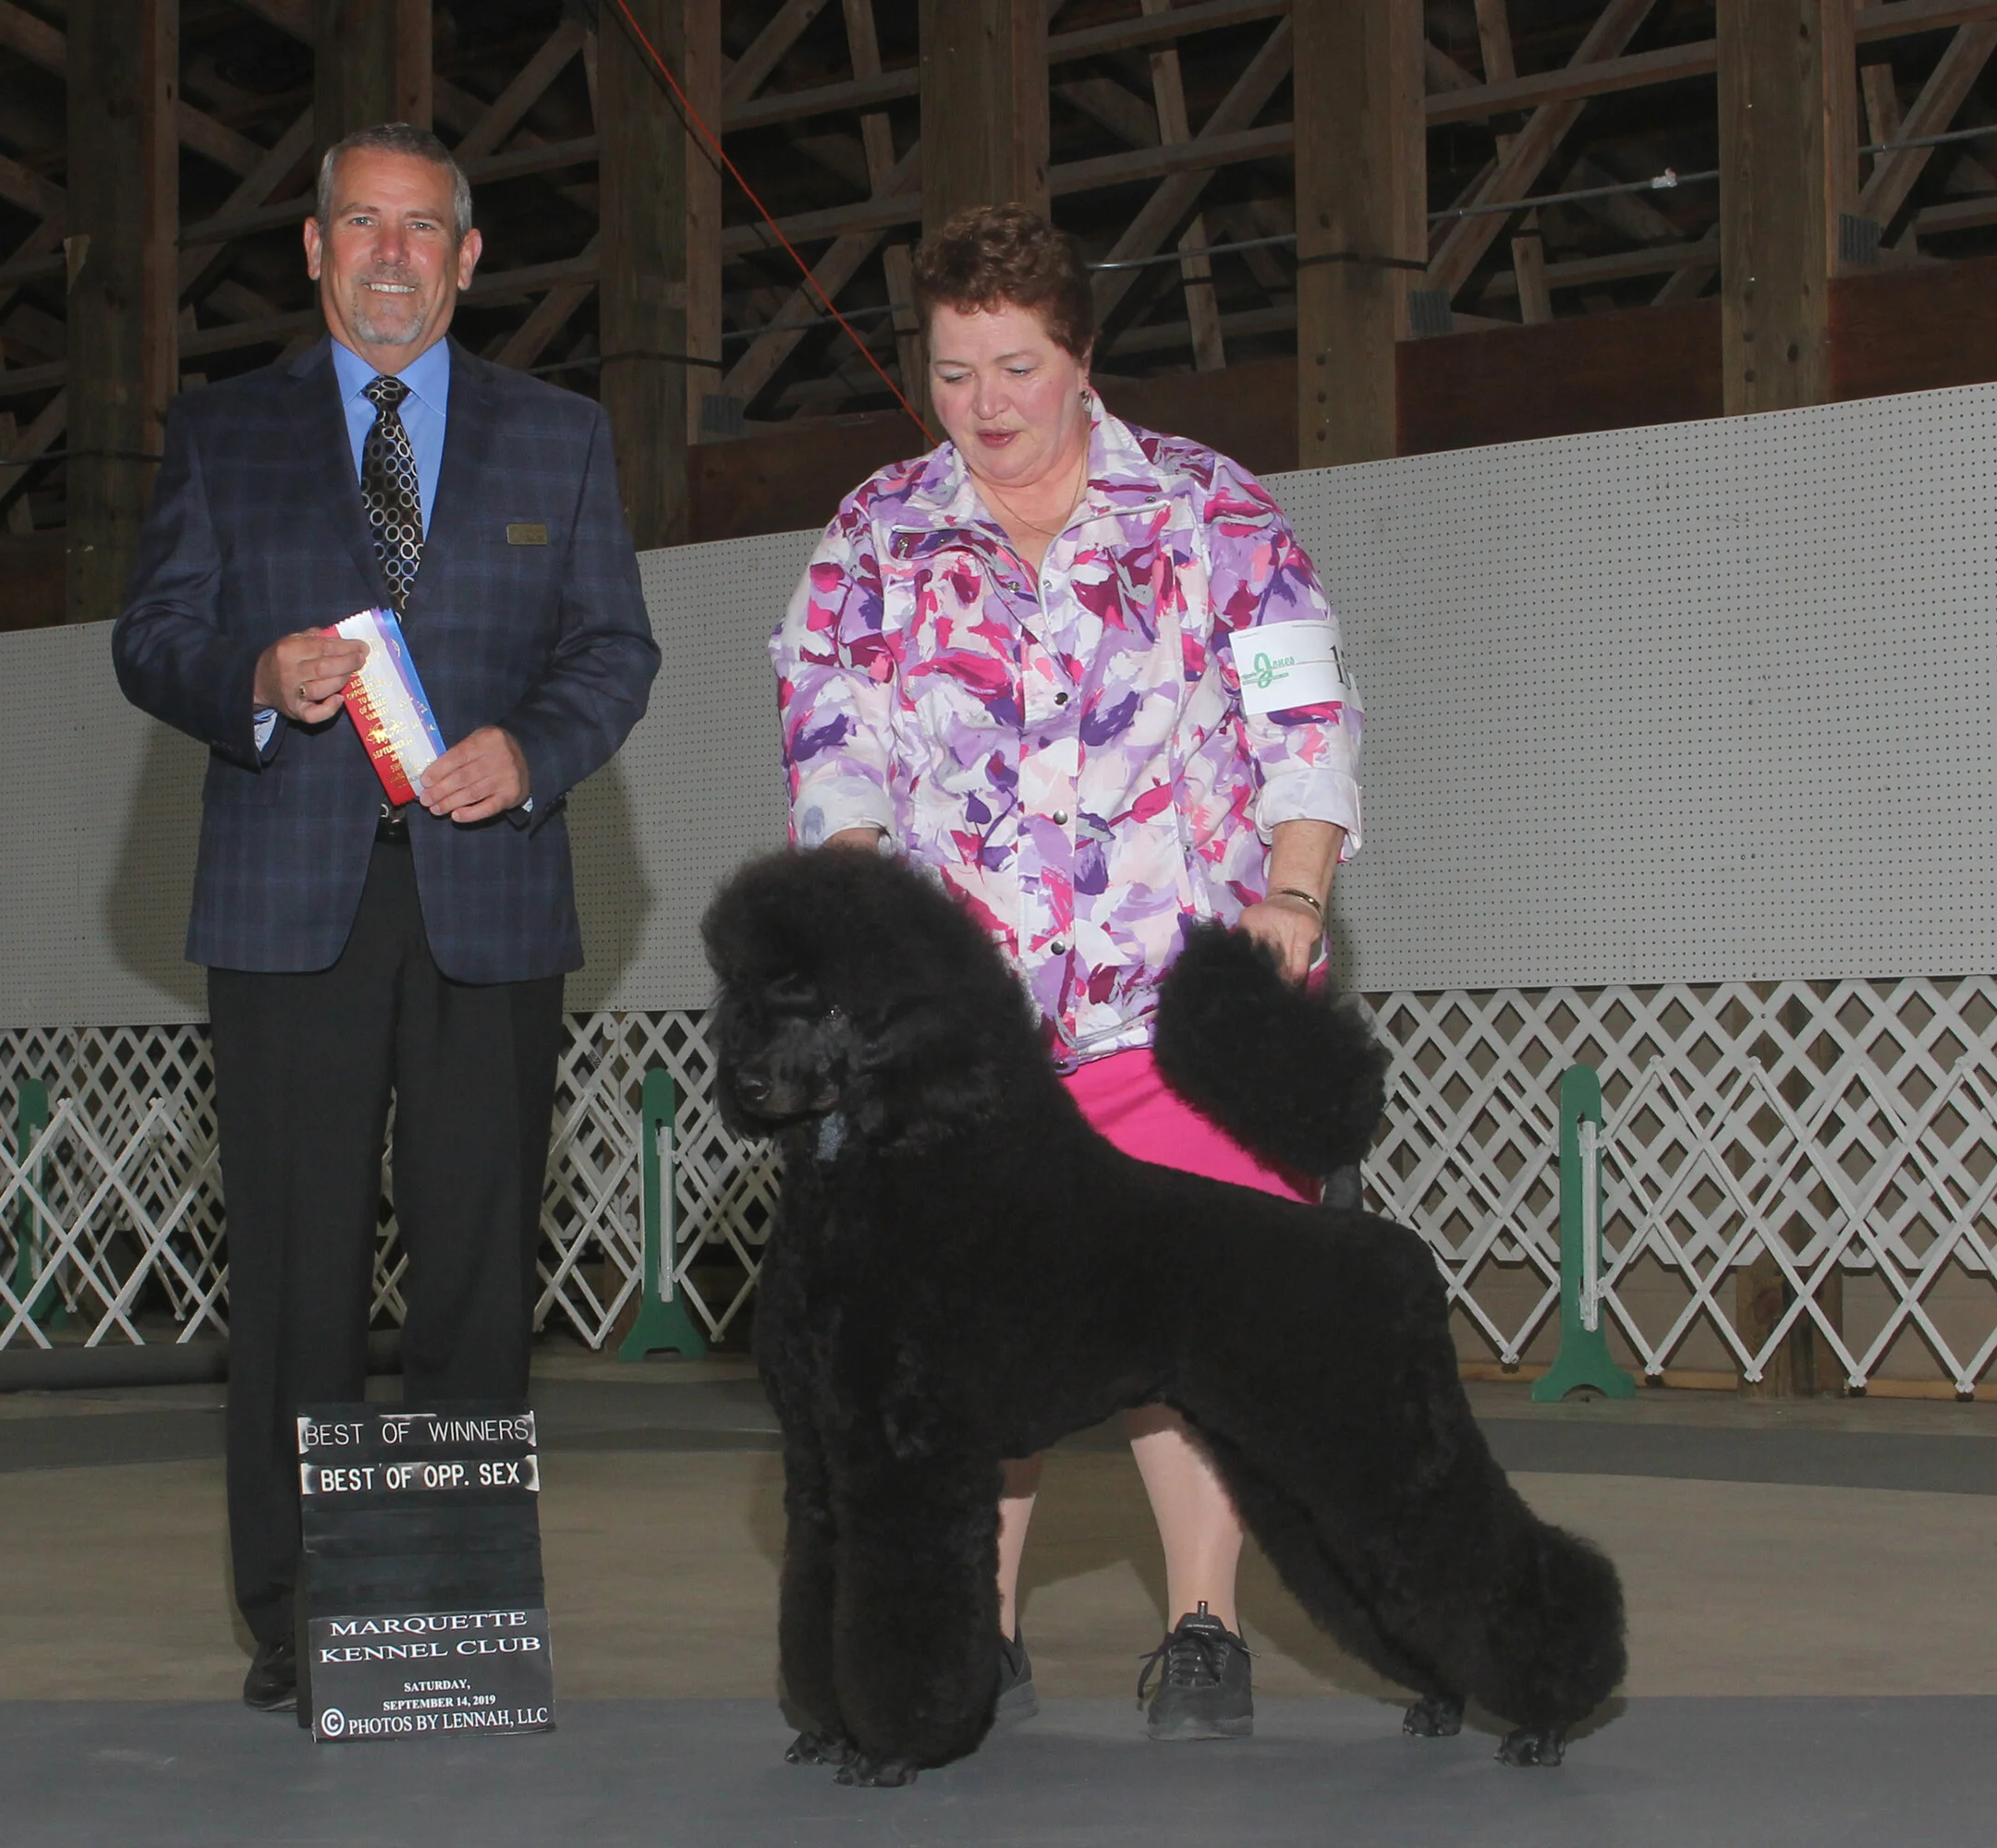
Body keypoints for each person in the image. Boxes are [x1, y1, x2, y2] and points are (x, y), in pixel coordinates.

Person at [769, 203, 1363, 1741]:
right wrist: (861, 930)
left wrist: (1295, 898)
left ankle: (1204, 1629)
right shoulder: (874, 535)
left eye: (1017, 367)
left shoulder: (1216, 511)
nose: (985, 404)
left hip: (1183, 1008)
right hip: (965, 1037)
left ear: (1082, 356)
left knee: (1189, 1330)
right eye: (954, 371)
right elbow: (833, 751)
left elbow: (1305, 721)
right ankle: (978, 1635)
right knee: (973, 1340)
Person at [112, 124, 658, 1712]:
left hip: (494, 902)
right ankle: (298, 1617)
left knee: (481, 1275)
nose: (394, 255)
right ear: (315, 247)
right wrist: (251, 679)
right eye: (364, 223)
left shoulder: (561, 436)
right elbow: (150, 636)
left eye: (424, 228)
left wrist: (531, 754)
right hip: (288, 911)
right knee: (296, 1277)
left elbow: (614, 651)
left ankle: (459, 1608)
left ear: (469, 258)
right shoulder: (223, 432)